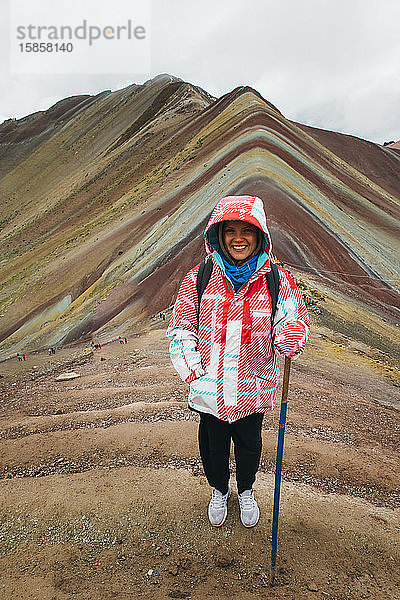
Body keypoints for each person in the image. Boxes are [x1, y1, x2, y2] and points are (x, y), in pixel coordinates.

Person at [167, 195, 310, 528]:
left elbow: (293, 318)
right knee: (212, 448)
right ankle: (219, 489)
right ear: (218, 234)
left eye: (247, 229)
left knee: (249, 447)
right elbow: (181, 328)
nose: (238, 238)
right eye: (229, 230)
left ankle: (246, 490)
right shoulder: (199, 276)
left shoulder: (278, 280)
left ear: (260, 235)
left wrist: (290, 335)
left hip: (252, 388)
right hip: (211, 392)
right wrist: (194, 374)